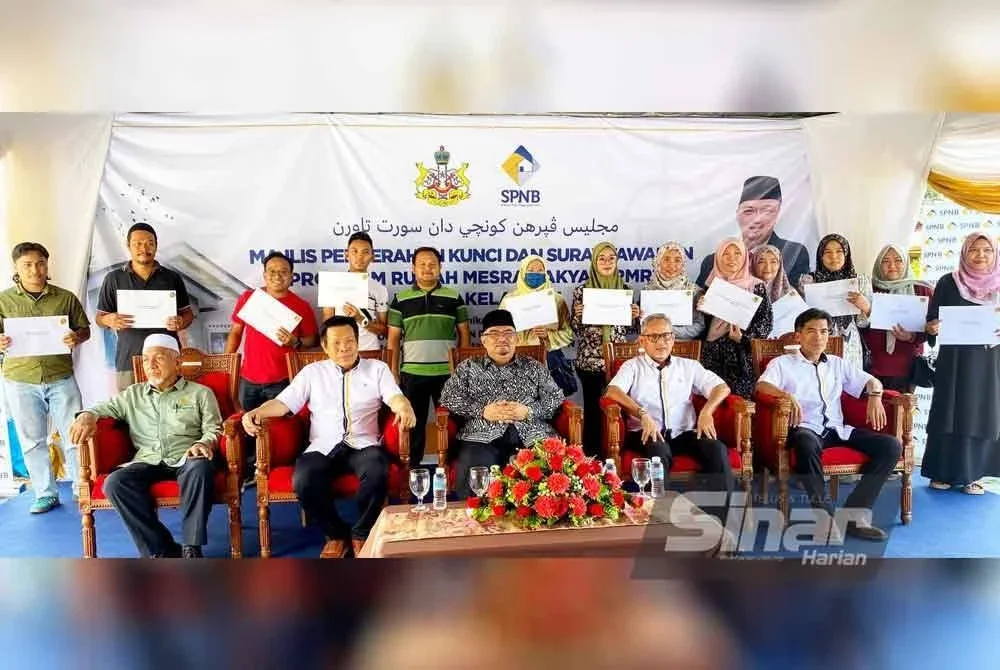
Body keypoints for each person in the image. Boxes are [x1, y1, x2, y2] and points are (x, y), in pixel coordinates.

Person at [242, 316, 417, 558]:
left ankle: (362, 533)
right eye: (336, 343)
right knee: (304, 479)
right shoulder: (312, 372)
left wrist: (404, 406)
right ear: (324, 346)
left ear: (358, 342)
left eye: (349, 341)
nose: (344, 348)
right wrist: (256, 412)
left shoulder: (377, 369)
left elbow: (394, 396)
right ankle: (337, 535)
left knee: (378, 469)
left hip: (363, 444)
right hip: (322, 445)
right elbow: (283, 403)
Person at [68, 334, 224, 558]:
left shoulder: (200, 393)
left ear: (177, 362)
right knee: (115, 483)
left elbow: (214, 428)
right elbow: (101, 409)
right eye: (145, 360)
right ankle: (161, 550)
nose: (150, 365)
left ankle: (192, 547)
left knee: (200, 467)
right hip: (147, 460)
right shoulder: (133, 394)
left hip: (188, 456)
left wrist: (203, 442)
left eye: (158, 358)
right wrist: (86, 416)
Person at [756, 308, 902, 541]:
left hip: (837, 429)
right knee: (805, 442)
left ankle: (855, 513)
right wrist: (785, 395)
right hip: (805, 428)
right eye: (811, 331)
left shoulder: (836, 363)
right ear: (798, 336)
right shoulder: (782, 363)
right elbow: (762, 387)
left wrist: (875, 397)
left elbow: (871, 381)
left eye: (824, 331)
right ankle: (824, 516)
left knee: (891, 445)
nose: (819, 337)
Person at [604, 314, 735, 500]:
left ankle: (719, 519)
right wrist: (642, 414)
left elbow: (722, 387)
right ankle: (658, 518)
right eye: (654, 337)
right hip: (647, 433)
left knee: (716, 449)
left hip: (684, 433)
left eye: (666, 336)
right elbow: (612, 391)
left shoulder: (689, 366)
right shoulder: (632, 367)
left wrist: (707, 411)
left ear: (673, 339)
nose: (661, 342)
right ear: (642, 340)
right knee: (658, 453)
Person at [0, 242, 90, 514]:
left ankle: (80, 488)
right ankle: (45, 493)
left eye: (40, 263)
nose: (35, 270)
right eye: (27, 264)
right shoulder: (4, 301)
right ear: (16, 268)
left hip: (60, 375)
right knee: (31, 440)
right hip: (20, 379)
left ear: (47, 265)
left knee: (74, 435)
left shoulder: (65, 298)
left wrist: (76, 337)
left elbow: (84, 330)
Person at [439, 309, 564, 499]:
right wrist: (482, 411)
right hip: (480, 436)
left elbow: (556, 397)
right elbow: (448, 397)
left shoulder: (534, 367)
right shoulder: (468, 367)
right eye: (494, 334)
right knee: (475, 472)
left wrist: (530, 411)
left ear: (516, 338)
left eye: (508, 334)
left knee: (544, 475)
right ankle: (477, 523)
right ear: (483, 340)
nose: (502, 340)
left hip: (532, 435)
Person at [225, 251, 318, 481]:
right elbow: (235, 333)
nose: (278, 277)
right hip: (249, 378)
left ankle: (279, 475)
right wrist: (228, 364)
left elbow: (312, 341)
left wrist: (293, 341)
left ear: (292, 276)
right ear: (264, 275)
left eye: (284, 272)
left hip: (283, 381)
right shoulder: (249, 298)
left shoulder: (301, 306)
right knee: (247, 428)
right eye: (273, 272)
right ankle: (249, 475)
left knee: (282, 431)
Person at [922, 233, 1000, 495]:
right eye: (974, 250)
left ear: (995, 253)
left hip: (988, 362)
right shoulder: (948, 282)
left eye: (987, 250)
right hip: (953, 360)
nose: (980, 255)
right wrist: (932, 327)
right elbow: (932, 320)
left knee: (979, 412)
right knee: (948, 410)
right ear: (964, 253)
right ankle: (941, 472)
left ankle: (974, 475)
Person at [387, 246, 470, 466]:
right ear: (413, 268)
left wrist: (460, 369)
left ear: (440, 268)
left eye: (432, 264)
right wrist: (394, 371)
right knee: (414, 423)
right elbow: (393, 339)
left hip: (448, 374)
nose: (427, 268)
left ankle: (454, 468)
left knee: (453, 423)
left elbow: (464, 334)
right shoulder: (400, 299)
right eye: (421, 264)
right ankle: (412, 471)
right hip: (412, 373)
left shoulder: (453, 297)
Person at [95, 223, 194, 391]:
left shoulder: (172, 278)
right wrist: (109, 319)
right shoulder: (114, 279)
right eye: (138, 244)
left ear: (156, 245)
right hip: (128, 360)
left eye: (150, 243)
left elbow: (188, 314)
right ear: (128, 246)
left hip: (167, 360)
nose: (144, 248)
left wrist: (180, 321)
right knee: (129, 411)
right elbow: (99, 318)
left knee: (168, 410)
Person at [570, 241, 641, 456]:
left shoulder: (625, 290)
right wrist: (578, 315)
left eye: (611, 258)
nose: (607, 262)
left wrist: (636, 316)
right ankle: (592, 457)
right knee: (593, 410)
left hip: (618, 363)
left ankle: (615, 453)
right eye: (602, 258)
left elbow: (632, 329)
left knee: (617, 409)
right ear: (594, 262)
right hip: (589, 361)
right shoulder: (582, 291)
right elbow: (575, 330)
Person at [697, 176, 810, 288]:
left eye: (767, 211)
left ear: (777, 214)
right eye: (749, 211)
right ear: (737, 214)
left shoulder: (795, 253)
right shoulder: (712, 261)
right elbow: (698, 299)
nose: (757, 219)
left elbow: (799, 299)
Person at [698, 238, 773, 399]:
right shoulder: (710, 286)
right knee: (711, 398)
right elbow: (701, 325)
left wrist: (743, 338)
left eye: (737, 253)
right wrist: (700, 309)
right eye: (726, 254)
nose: (732, 258)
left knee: (740, 406)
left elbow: (765, 322)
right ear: (718, 258)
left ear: (745, 257)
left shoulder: (756, 286)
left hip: (741, 355)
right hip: (712, 353)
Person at [498, 255, 576, 395]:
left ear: (545, 273)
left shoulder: (557, 300)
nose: (535, 273)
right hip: (517, 361)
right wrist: (514, 332)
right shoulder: (509, 301)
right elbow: (498, 333)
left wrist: (549, 335)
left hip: (548, 362)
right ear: (522, 272)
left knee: (551, 407)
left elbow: (568, 334)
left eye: (540, 270)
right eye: (531, 269)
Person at [863, 244, 934, 393]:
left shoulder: (922, 289)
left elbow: (933, 327)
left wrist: (912, 336)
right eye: (886, 261)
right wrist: (867, 310)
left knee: (902, 413)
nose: (892, 266)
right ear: (878, 264)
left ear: (906, 262)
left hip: (907, 365)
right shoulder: (868, 289)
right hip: (871, 365)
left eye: (898, 260)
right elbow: (859, 326)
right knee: (871, 413)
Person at [798, 234, 873, 371]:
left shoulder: (860, 281)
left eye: (839, 251)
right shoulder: (809, 282)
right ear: (820, 256)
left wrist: (865, 307)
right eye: (828, 252)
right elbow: (802, 318)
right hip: (819, 340)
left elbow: (864, 324)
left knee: (850, 383)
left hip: (850, 342)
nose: (834, 257)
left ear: (846, 254)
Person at [321, 232, 389, 352]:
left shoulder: (379, 289)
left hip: (370, 351)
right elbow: (327, 325)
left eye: (365, 252)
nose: (359, 257)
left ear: (372, 256)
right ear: (346, 254)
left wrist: (360, 318)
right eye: (354, 251)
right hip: (340, 352)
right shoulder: (332, 284)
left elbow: (384, 330)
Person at [644, 242, 705, 340]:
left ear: (683, 264)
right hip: (654, 346)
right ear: (658, 261)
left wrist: (672, 331)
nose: (671, 265)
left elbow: (699, 325)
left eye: (677, 260)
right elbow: (643, 324)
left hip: (684, 348)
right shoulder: (648, 290)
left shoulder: (693, 291)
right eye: (666, 259)